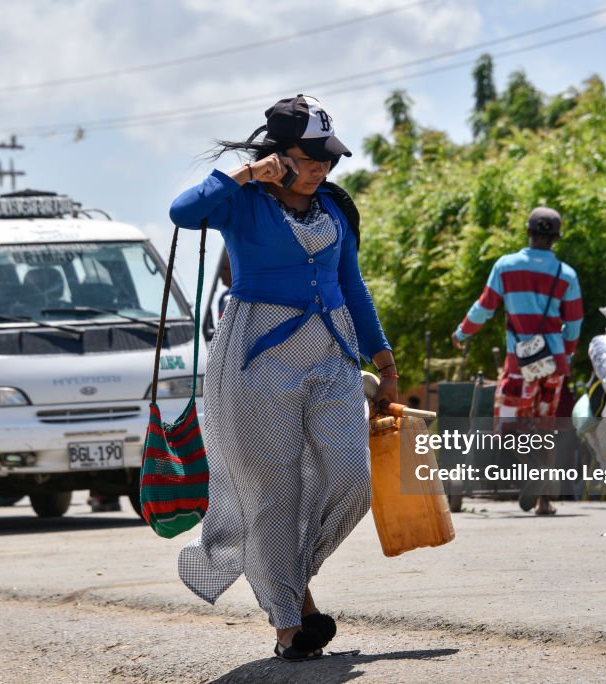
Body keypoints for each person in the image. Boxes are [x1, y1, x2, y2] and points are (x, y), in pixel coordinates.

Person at [168, 94, 397, 661]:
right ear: (281, 155)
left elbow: (354, 286)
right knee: (274, 496)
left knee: (352, 478)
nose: (323, 168)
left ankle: (291, 585)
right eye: (312, 157)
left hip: (333, 355)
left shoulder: (335, 209)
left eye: (329, 159)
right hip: (255, 360)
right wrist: (243, 173)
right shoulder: (241, 201)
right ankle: (290, 623)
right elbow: (182, 212)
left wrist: (384, 361)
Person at [450, 207, 583, 515]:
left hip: (520, 363)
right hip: (553, 364)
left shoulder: (506, 266)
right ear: (556, 238)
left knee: (508, 425)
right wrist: (568, 354)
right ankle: (544, 499)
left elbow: (485, 307)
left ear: (529, 233)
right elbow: (574, 322)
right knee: (544, 426)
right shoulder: (567, 274)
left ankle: (531, 471)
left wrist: (462, 333)